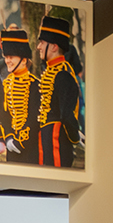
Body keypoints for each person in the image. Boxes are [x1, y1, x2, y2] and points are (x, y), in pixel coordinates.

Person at [32, 13, 83, 166]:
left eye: (42, 42)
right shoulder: (51, 71)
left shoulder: (63, 74)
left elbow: (66, 114)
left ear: (54, 46)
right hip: (48, 137)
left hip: (57, 138)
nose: (38, 46)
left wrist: (75, 137)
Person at [0, 26, 38, 162]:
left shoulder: (35, 84)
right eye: (6, 57)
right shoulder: (6, 83)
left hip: (30, 147)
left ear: (23, 60)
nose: (7, 61)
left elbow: (34, 118)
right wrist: (8, 138)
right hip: (12, 145)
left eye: (11, 57)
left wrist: (20, 142)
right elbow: (3, 114)